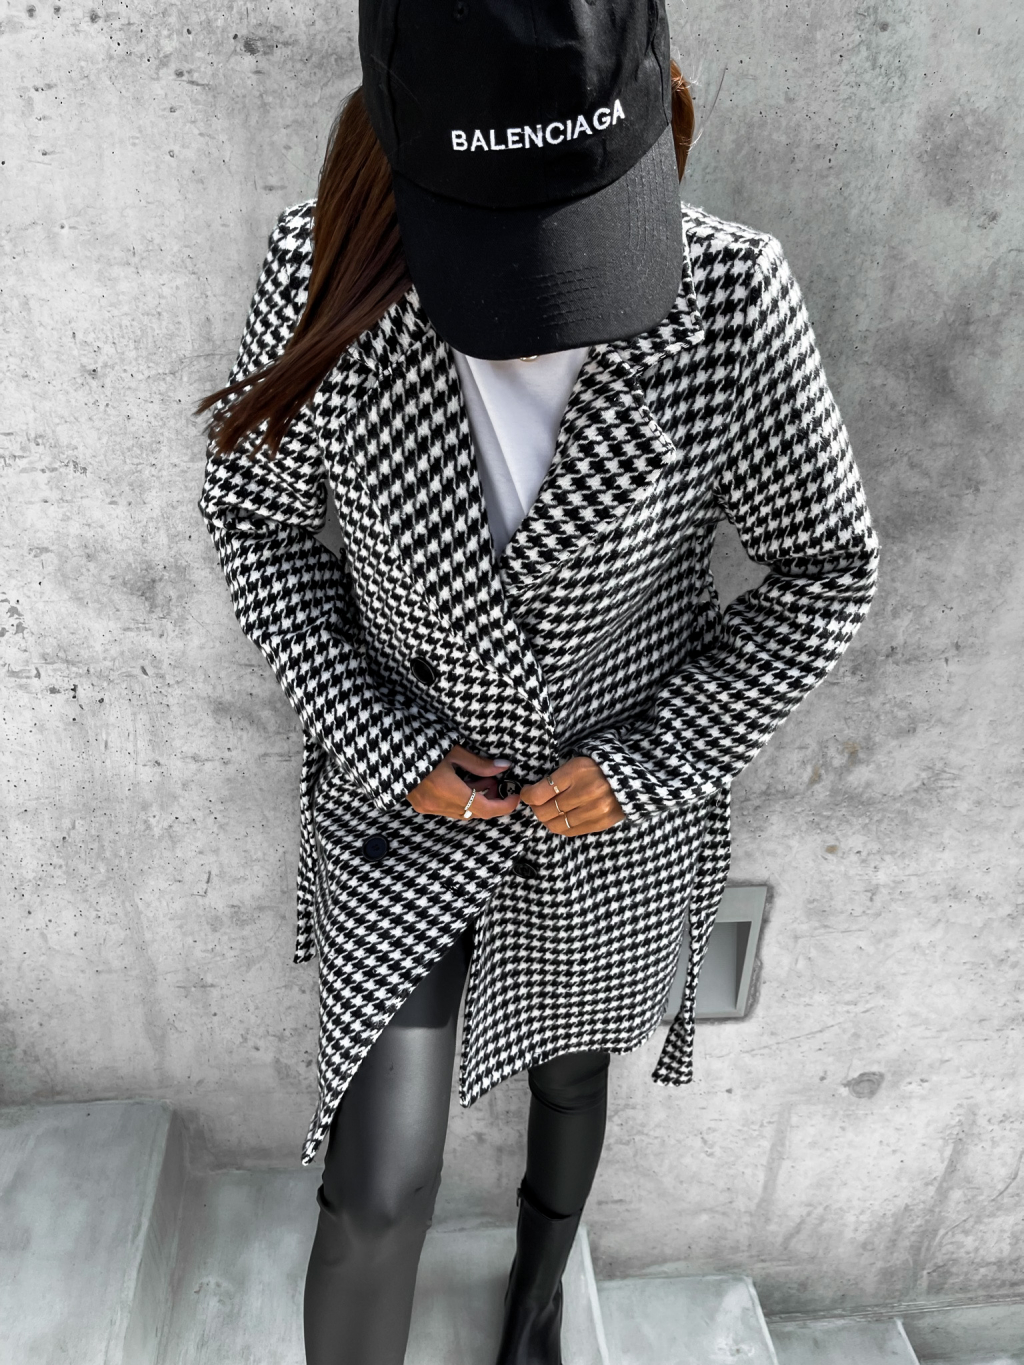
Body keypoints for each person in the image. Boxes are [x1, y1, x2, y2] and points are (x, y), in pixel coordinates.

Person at [196, 3, 880, 1363]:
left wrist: (650, 763)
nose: (535, 304)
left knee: (574, 1074)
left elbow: (828, 564)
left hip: (611, 820)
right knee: (375, 1188)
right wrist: (384, 740)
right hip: (403, 812)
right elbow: (256, 522)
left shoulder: (730, 296)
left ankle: (535, 1305)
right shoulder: (322, 268)